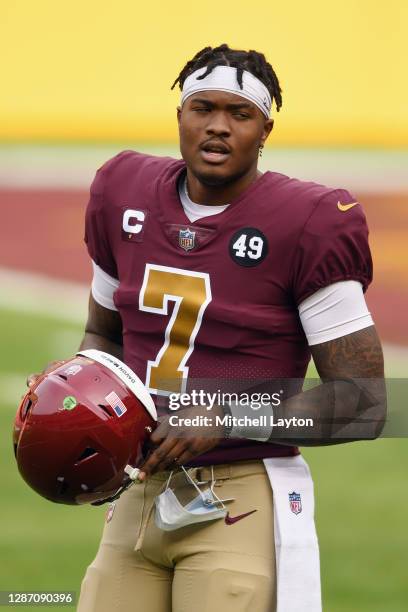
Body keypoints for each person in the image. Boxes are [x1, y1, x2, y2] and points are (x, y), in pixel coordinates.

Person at [29, 44, 385, 612]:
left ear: (266, 128)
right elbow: (104, 337)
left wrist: (225, 418)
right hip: (141, 490)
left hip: (240, 492)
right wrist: (88, 417)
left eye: (239, 114)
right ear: (179, 116)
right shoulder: (122, 193)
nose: (218, 126)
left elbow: (363, 401)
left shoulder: (308, 222)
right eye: (203, 108)